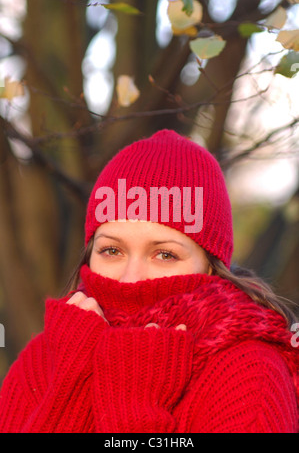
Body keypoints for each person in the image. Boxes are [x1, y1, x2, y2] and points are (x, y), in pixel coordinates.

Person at [0, 129, 298, 433]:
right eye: (112, 250)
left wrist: (135, 412)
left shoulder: (248, 373)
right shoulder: (44, 359)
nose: (131, 278)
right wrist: (72, 383)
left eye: (165, 255)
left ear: (210, 267)